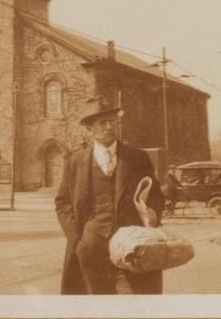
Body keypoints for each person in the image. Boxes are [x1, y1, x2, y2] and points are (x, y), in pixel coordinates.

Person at [55, 95, 165, 295]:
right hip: (90, 248)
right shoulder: (75, 161)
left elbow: (156, 196)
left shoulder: (137, 157)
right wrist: (77, 238)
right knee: (94, 303)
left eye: (113, 121)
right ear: (89, 129)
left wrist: (153, 214)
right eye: (102, 123)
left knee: (134, 300)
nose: (109, 127)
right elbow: (62, 203)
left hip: (131, 245)